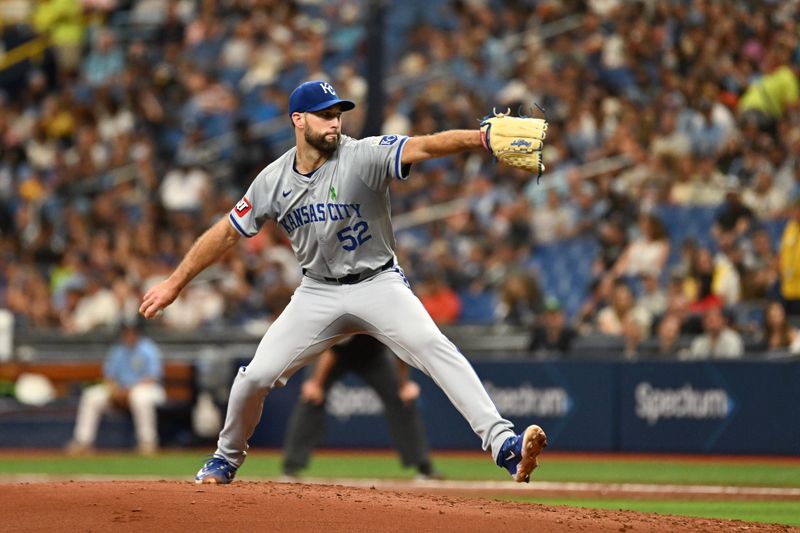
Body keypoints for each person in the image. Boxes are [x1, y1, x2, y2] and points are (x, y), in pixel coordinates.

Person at [139, 80, 547, 485]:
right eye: (325, 115)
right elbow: (227, 232)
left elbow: (425, 145)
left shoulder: (363, 154)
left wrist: (479, 138)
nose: (334, 123)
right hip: (316, 292)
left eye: (337, 114)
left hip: (378, 283)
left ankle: (504, 445)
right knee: (255, 377)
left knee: (433, 346)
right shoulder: (271, 180)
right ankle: (225, 459)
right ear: (299, 120)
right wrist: (176, 282)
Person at [281, 335, 438, 480]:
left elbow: (401, 351)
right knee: (311, 398)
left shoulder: (386, 315)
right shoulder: (350, 314)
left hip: (374, 356)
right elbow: (332, 351)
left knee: (402, 399)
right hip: (334, 352)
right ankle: (291, 466)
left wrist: (403, 385)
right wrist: (316, 384)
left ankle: (423, 466)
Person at [66, 318, 166, 455]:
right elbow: (109, 377)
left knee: (140, 397)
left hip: (147, 389)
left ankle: (147, 442)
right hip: (120, 390)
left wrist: (129, 390)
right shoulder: (118, 350)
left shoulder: (148, 348)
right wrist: (115, 389)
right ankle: (83, 441)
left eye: (131, 331)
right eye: (126, 331)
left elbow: (153, 377)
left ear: (138, 332)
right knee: (92, 396)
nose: (129, 334)